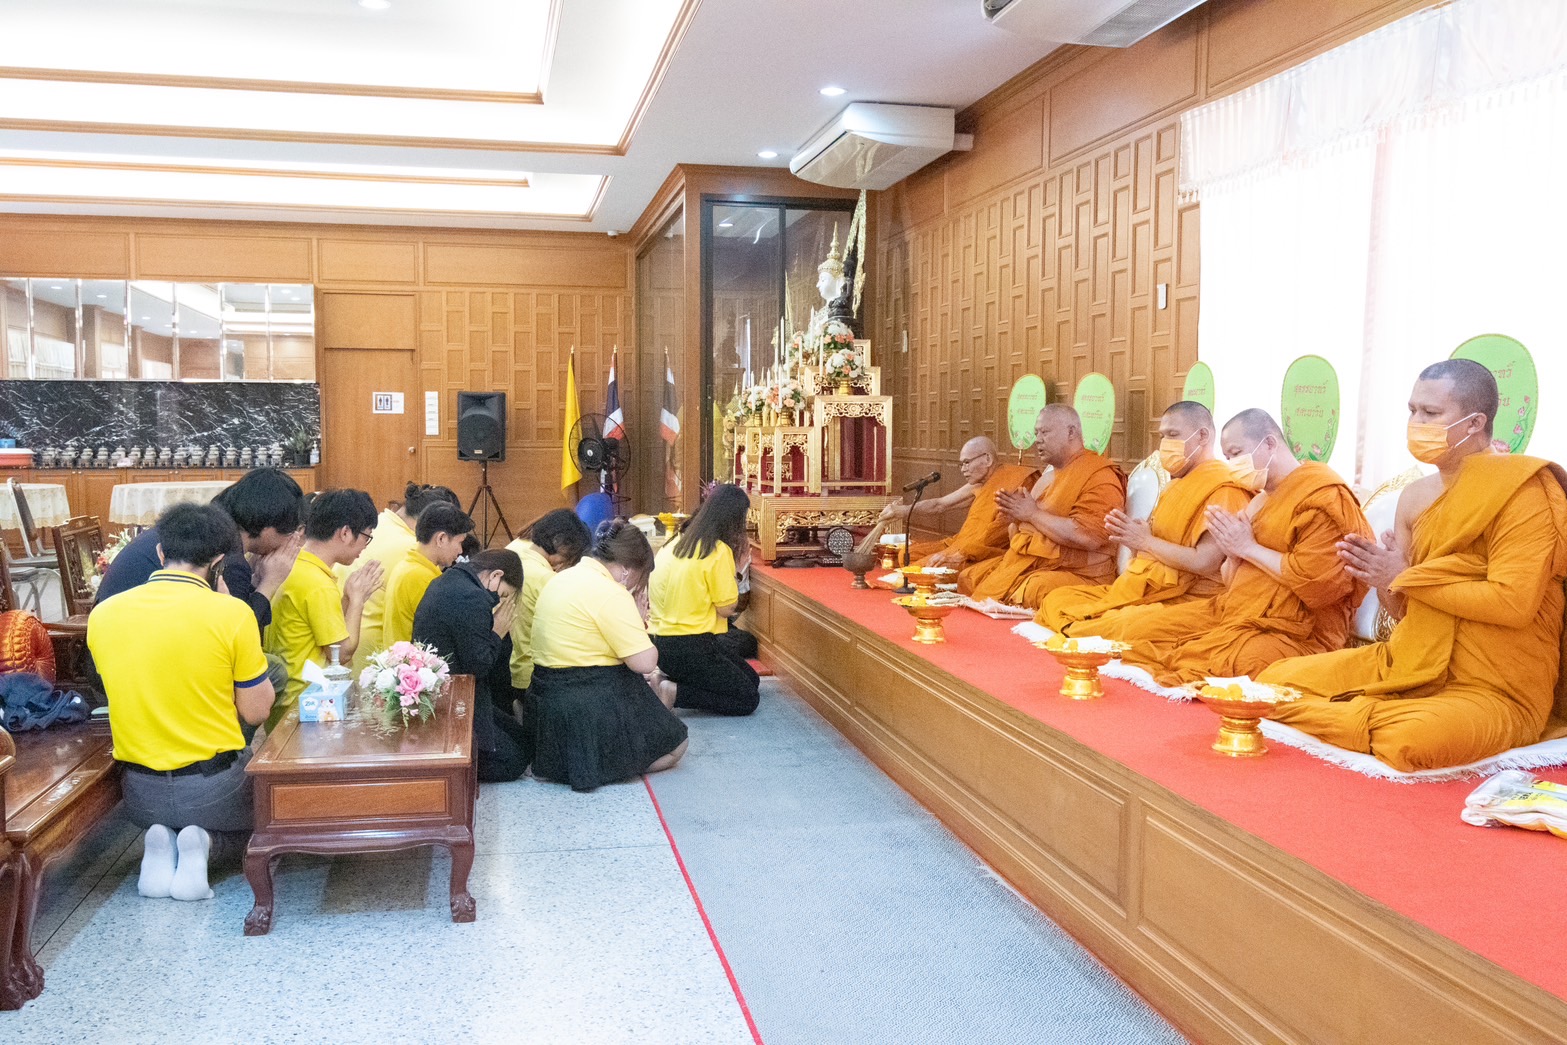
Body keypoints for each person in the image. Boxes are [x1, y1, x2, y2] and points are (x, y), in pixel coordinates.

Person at [1263, 361, 1567, 771]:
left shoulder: (1522, 490)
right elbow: (1404, 610)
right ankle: (1358, 712)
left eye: (1431, 413)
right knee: (1274, 680)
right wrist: (1382, 578)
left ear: (1475, 422)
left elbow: (1513, 603)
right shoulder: (1414, 497)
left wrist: (1404, 576)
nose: (1416, 423)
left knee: (1408, 739)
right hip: (1407, 661)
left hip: (1495, 688)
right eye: (1412, 410)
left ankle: (1354, 713)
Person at [1083, 409, 1371, 685]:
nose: (1233, 464)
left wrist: (1248, 549)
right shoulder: (1261, 500)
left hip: (1299, 632)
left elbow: (1318, 587)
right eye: (1228, 456)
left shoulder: (1323, 497)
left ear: (1270, 443)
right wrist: (1233, 554)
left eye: (1236, 453)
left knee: (1229, 662)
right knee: (1139, 631)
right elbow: (1233, 581)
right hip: (1234, 611)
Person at [88, 503, 275, 902]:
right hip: (214, 786)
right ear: (218, 562)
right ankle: (203, 844)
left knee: (168, 813)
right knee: (267, 823)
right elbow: (256, 711)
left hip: (139, 792)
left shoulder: (104, 614)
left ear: (160, 552)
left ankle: (162, 843)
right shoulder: (232, 614)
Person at [1038, 401, 1253, 633]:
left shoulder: (1225, 489)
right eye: (1162, 436)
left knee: (1123, 627)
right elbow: (1156, 544)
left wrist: (1145, 541)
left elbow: (1204, 562)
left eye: (1173, 435)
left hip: (1193, 599)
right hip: (1151, 588)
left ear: (1202, 436)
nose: (1164, 444)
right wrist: (1133, 539)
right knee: (1057, 599)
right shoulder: (1175, 485)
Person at [94, 468, 303, 695]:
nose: (290, 544)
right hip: (142, 666)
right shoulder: (226, 554)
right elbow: (238, 639)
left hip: (111, 657)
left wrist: (254, 578)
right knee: (272, 672)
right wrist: (270, 583)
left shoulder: (204, 530)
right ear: (269, 526)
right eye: (289, 534)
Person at [524, 520, 688, 792]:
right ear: (627, 570)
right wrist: (638, 621)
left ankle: (571, 762)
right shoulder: (610, 592)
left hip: (546, 699)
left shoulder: (561, 578)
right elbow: (645, 663)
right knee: (677, 745)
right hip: (590, 702)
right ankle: (603, 764)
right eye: (641, 577)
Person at [957, 404, 1126, 608]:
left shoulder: (1098, 475)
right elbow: (1022, 536)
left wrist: (1032, 515)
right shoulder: (1048, 478)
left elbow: (1089, 537)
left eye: (1044, 432)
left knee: (1033, 590)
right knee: (969, 577)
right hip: (1034, 564)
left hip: (1081, 573)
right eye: (1036, 432)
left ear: (1071, 432)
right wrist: (1015, 519)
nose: (1037, 439)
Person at [265, 489, 382, 730]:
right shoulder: (317, 583)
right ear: (345, 533)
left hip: (284, 697)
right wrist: (357, 600)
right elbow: (341, 652)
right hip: (306, 703)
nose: (364, 547)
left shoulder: (295, 565)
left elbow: (325, 633)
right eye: (366, 537)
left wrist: (348, 598)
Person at [413, 548, 529, 782]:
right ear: (496, 576)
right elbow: (479, 666)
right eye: (503, 595)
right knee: (514, 761)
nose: (499, 602)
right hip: (453, 697)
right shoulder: (473, 597)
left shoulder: (450, 578)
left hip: (450, 686)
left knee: (522, 738)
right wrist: (497, 632)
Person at [648, 484, 760, 716]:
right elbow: (727, 609)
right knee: (748, 699)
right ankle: (675, 692)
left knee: (751, 679)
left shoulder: (676, 541)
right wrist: (738, 570)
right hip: (691, 647)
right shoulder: (717, 551)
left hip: (661, 645)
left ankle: (668, 678)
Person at [335, 482, 459, 672]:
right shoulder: (413, 549)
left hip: (341, 634)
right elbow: (435, 611)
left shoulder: (381, 521)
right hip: (372, 652)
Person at [879, 435, 1040, 570]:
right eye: (961, 464)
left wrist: (961, 554)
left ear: (987, 459)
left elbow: (994, 537)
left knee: (926, 566)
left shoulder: (1016, 482)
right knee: (907, 555)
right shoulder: (978, 484)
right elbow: (940, 504)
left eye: (967, 462)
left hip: (981, 552)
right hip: (960, 544)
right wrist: (902, 511)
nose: (963, 469)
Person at [505, 509, 593, 700]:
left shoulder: (515, 554)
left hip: (513, 668)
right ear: (560, 544)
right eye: (572, 555)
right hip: (537, 674)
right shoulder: (546, 579)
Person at [381, 503, 475, 651]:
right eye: (459, 542)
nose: (460, 550)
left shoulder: (408, 566)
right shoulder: (421, 577)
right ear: (441, 539)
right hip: (413, 662)